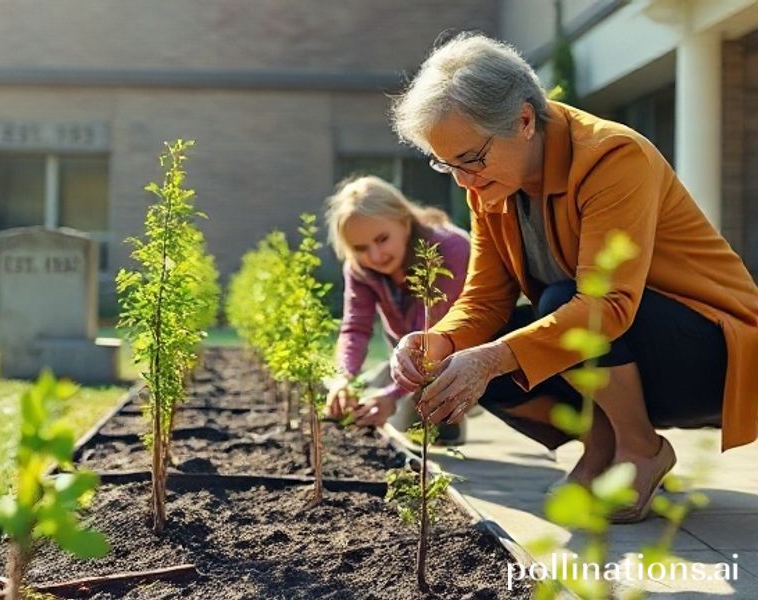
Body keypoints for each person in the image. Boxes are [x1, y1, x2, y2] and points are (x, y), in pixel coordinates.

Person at [388, 32, 758, 523]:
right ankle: (601, 443)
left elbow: (610, 305)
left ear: (523, 120)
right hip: (625, 351)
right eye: (446, 164)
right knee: (475, 353)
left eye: (471, 159)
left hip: (714, 354)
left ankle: (640, 447)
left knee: (557, 307)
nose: (463, 181)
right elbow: (485, 300)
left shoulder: (612, 156)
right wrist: (439, 342)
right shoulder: (490, 183)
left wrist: (494, 358)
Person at [324, 175, 470, 442]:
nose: (375, 256)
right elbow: (355, 328)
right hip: (409, 359)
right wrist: (343, 379)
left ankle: (463, 402)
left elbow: (435, 337)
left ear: (404, 222)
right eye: (360, 248)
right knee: (391, 417)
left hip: (458, 354)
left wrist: (392, 395)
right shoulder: (361, 268)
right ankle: (390, 381)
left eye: (382, 239)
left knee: (434, 431)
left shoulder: (451, 250)